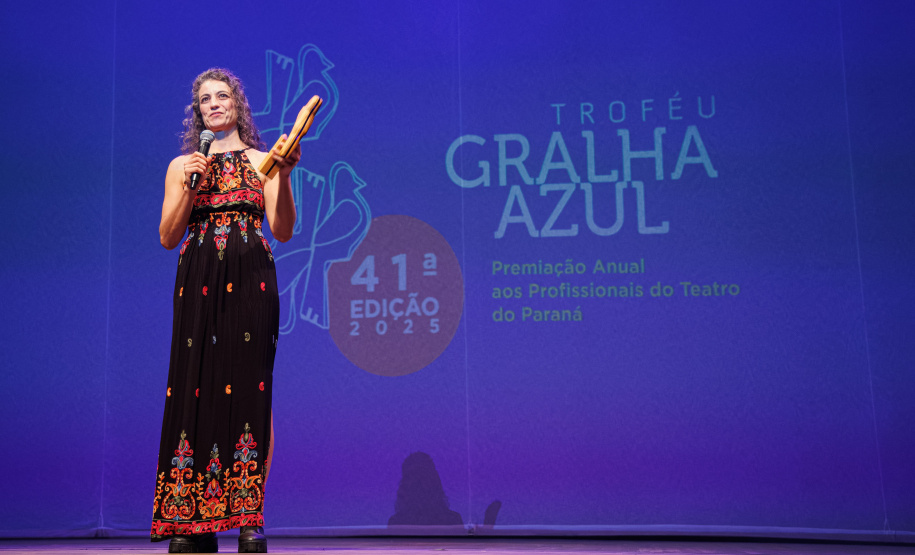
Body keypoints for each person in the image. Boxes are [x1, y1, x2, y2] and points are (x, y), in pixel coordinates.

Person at [151, 67, 312, 553]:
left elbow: (282, 230)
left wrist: (282, 174)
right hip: (196, 281)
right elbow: (167, 236)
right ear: (197, 112)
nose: (215, 104)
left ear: (238, 105)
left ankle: (247, 516)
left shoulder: (265, 160)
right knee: (192, 386)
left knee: (249, 390)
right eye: (205, 100)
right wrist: (192, 188)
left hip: (250, 282)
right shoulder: (183, 166)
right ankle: (190, 519)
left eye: (223, 97)